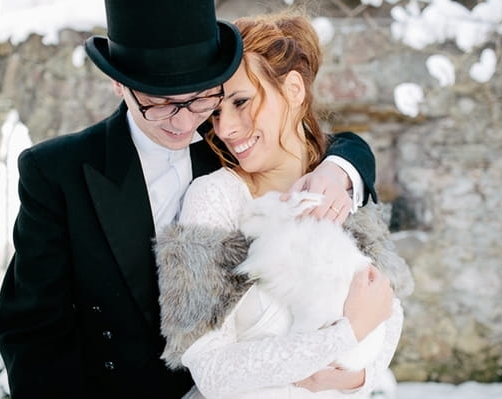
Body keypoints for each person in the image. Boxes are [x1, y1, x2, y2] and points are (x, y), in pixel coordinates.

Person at [0, 1, 380, 398]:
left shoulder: (230, 143)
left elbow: (319, 142)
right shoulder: (59, 170)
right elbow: (31, 328)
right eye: (159, 104)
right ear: (119, 84)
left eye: (200, 98)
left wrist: (342, 168)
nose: (183, 122)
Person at [154, 11, 412, 399]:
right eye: (216, 113)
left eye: (241, 102)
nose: (225, 130)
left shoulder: (341, 189)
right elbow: (209, 369)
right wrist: (343, 336)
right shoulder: (215, 198)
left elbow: (385, 314)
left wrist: (352, 379)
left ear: (293, 90)